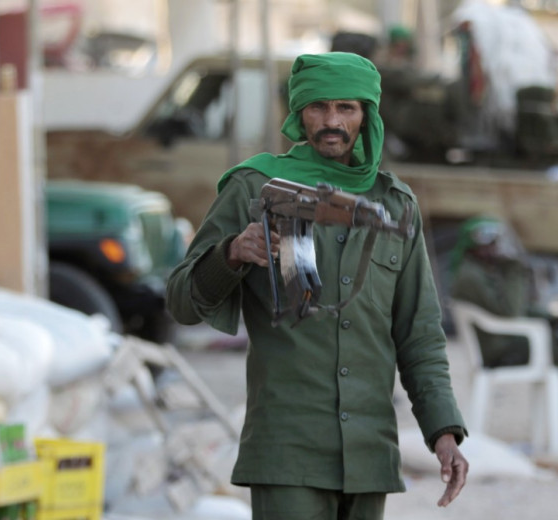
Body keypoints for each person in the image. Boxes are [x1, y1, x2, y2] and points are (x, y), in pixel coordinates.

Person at [166, 52, 468, 519]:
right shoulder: (254, 187)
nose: (331, 121)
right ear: (298, 113)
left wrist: (443, 432)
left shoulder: (395, 204)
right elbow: (182, 302)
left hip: (369, 451)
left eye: (346, 108)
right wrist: (231, 254)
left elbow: (419, 333)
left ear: (366, 114)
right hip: (288, 450)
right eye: (317, 108)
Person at [448, 216, 558, 431]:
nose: (494, 249)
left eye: (495, 242)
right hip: (502, 349)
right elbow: (510, 313)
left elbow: (517, 310)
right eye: (487, 244)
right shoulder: (471, 277)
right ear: (472, 246)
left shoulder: (478, 272)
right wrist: (514, 271)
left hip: (508, 343)